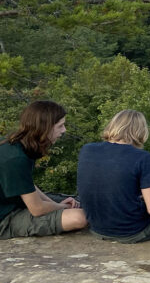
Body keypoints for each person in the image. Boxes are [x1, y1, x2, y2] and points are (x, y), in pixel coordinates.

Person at [0, 100, 87, 239]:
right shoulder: (16, 158)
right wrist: (61, 207)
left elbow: (26, 184)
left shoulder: (16, 144)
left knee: (75, 205)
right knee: (79, 216)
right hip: (4, 219)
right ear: (44, 128)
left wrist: (54, 204)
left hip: (12, 204)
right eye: (60, 126)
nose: (64, 130)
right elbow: (37, 209)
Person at [77, 109, 150, 243]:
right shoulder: (143, 158)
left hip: (97, 228)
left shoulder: (87, 149)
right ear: (141, 131)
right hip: (131, 232)